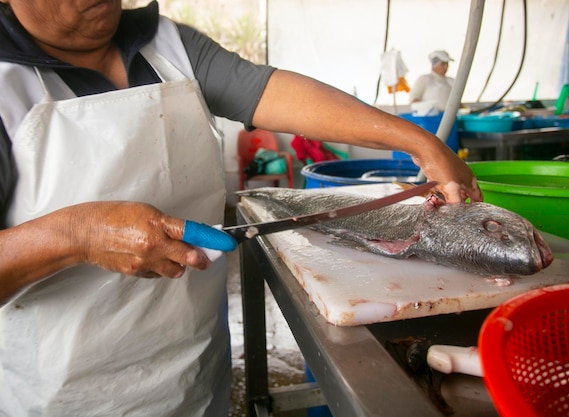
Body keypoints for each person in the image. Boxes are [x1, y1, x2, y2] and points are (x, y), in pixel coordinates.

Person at [0, 1, 482, 416]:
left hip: (191, 365)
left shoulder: (168, 45)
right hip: (66, 393)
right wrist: (76, 235)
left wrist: (417, 142)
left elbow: (272, 91)